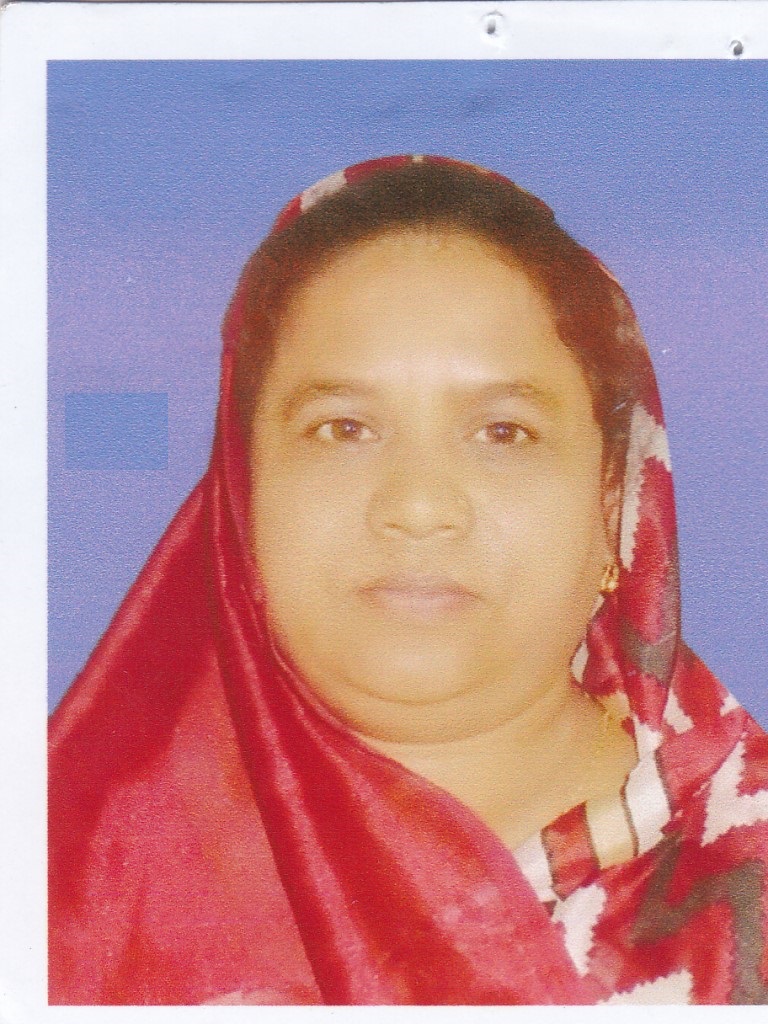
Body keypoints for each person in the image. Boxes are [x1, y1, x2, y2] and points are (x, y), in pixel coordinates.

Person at [48, 155, 768, 1005]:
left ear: (615, 504)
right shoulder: (69, 876)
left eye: (504, 433)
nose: (419, 507)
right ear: (242, 494)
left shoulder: (741, 869)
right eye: (343, 429)